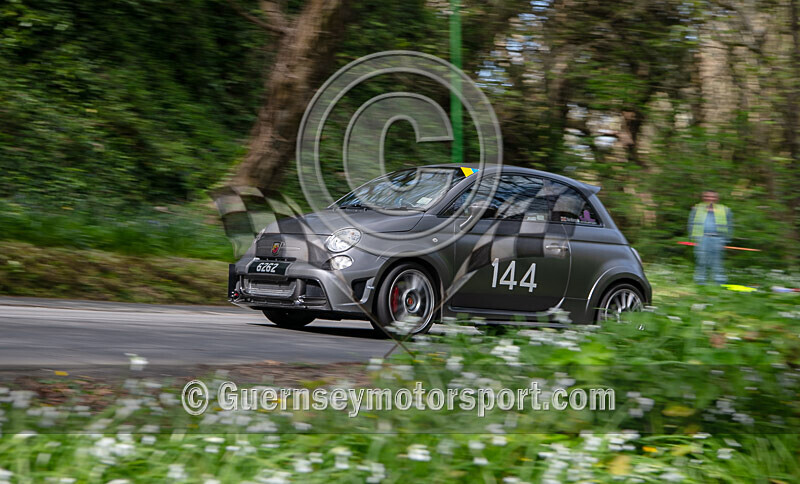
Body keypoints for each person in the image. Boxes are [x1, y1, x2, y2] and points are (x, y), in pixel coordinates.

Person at [688, 190, 733, 285]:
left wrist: (726, 240)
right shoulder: (696, 209)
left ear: (717, 198)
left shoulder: (725, 209)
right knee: (701, 260)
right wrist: (693, 237)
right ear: (703, 198)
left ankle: (719, 282)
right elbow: (691, 223)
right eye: (707, 196)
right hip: (701, 238)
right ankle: (700, 281)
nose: (710, 199)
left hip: (718, 239)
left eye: (713, 197)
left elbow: (729, 225)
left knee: (718, 261)